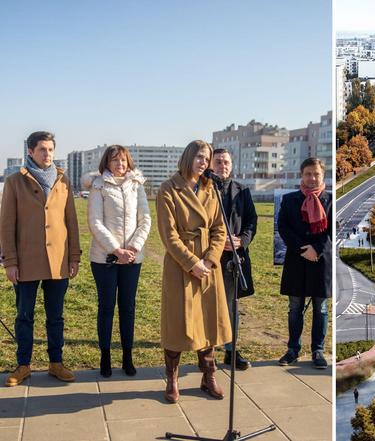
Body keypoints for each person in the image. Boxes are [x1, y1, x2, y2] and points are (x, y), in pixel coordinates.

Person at [1, 131, 81, 387]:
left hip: (58, 261)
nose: (47, 154)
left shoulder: (63, 180)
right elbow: (6, 224)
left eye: (50, 150)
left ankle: (55, 363)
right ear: (30, 152)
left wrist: (74, 256)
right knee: (24, 315)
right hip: (25, 261)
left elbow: (71, 222)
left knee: (55, 316)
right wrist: (10, 261)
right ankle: (23, 365)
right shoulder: (15, 181)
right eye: (42, 150)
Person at [156, 140, 232, 403]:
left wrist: (210, 260)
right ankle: (172, 377)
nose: (203, 162)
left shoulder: (212, 189)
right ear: (188, 157)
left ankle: (209, 375)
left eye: (207, 158)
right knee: (177, 322)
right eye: (199, 157)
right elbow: (169, 235)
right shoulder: (168, 189)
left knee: (209, 321)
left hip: (209, 266)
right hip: (181, 266)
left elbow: (220, 229)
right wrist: (192, 263)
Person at [84, 146, 151, 378]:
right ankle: (105, 357)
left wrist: (132, 248)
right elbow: (95, 222)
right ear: (107, 163)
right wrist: (116, 250)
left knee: (128, 308)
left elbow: (145, 219)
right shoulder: (98, 186)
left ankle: (127, 356)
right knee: (106, 308)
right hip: (105, 259)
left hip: (132, 258)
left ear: (128, 162)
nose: (119, 164)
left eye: (123, 160)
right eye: (114, 160)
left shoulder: (137, 185)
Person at [277, 158, 332, 369]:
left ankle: (318, 351)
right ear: (302, 175)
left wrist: (316, 249)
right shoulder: (290, 200)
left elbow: (330, 233)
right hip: (297, 261)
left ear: (322, 175)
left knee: (321, 308)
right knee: (295, 308)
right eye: (308, 173)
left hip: (320, 262)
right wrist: (303, 249)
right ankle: (293, 349)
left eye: (316, 174)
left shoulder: (330, 200)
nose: (312, 178)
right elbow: (284, 227)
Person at [211, 148, 257, 371]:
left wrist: (242, 241)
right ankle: (207, 352)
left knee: (231, 305)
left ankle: (231, 351)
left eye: (226, 162)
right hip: (209, 257)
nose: (223, 166)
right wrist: (218, 243)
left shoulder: (242, 189)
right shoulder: (203, 189)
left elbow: (251, 220)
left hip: (233, 258)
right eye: (218, 162)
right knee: (208, 305)